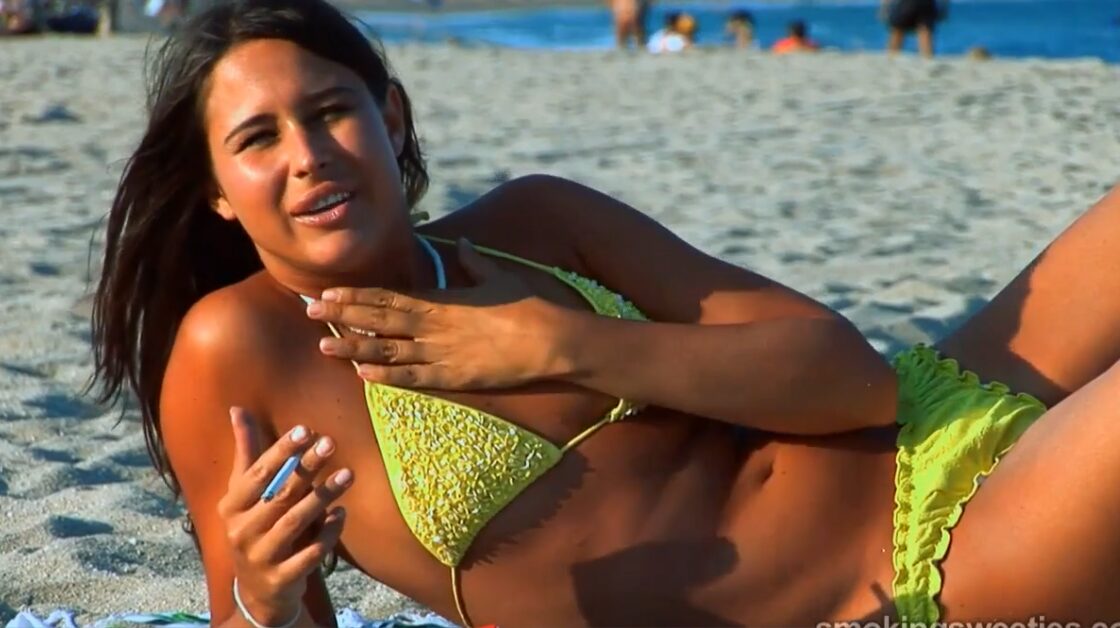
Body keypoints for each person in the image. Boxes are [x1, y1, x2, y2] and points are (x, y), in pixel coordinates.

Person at [90, 0, 1120, 625]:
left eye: (329, 111)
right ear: (219, 189)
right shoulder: (236, 349)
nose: (308, 154)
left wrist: (559, 342)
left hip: (929, 414)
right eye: (257, 138)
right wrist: (267, 610)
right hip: (914, 576)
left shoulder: (538, 221)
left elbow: (847, 376)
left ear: (387, 115)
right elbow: (256, 614)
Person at [881, 0, 946, 58]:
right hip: (927, 4)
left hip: (908, 3)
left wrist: (884, 8)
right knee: (925, 33)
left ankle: (892, 57)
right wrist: (943, 8)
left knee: (897, 32)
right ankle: (927, 59)